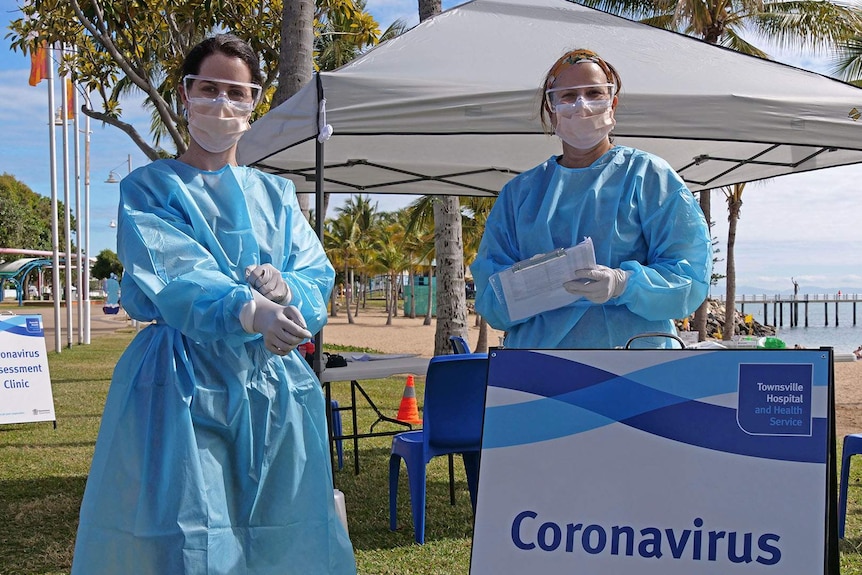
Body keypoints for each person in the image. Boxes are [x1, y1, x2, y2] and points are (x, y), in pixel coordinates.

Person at [71, 34, 355, 575]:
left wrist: (289, 295)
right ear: (184, 94)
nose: (222, 103)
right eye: (209, 88)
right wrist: (249, 310)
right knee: (190, 533)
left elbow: (315, 270)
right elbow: (174, 274)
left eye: (236, 92)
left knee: (282, 527)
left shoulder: (276, 194)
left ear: (254, 102)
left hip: (271, 384)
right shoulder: (150, 189)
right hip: (179, 381)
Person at [471, 49, 712, 349]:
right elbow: (491, 299)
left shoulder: (649, 177)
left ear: (613, 102)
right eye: (568, 96)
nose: (581, 105)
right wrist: (530, 283)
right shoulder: (519, 195)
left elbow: (688, 279)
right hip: (537, 372)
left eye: (594, 93)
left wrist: (623, 284)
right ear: (551, 108)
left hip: (637, 366)